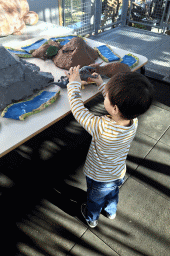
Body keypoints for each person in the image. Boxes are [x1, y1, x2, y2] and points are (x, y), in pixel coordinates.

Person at [66, 65, 154, 228]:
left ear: (114, 108)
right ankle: (111, 211)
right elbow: (118, 102)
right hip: (117, 173)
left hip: (99, 177)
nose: (104, 96)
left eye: (107, 96)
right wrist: (101, 83)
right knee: (112, 194)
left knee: (94, 199)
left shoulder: (102, 126)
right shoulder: (133, 120)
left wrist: (73, 84)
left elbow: (78, 111)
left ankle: (91, 217)